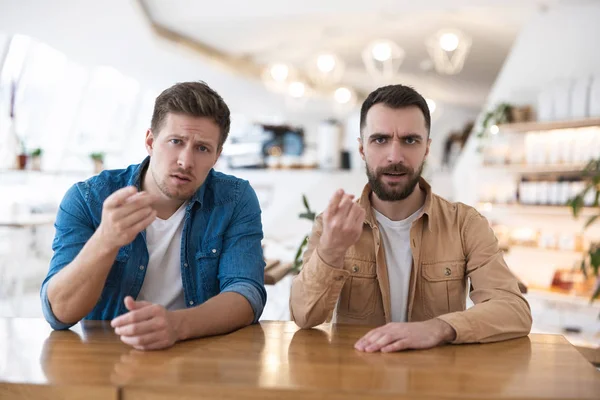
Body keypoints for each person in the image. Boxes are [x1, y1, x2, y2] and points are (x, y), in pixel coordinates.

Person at [290, 84, 532, 353]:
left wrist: (438, 327)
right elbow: (304, 316)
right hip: (357, 382)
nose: (395, 157)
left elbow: (514, 310)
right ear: (361, 149)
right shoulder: (332, 224)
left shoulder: (465, 224)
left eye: (410, 140)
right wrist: (331, 249)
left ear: (427, 148)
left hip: (435, 384)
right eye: (380, 139)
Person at [41, 81, 266, 350]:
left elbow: (246, 293)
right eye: (176, 142)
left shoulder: (235, 199)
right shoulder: (88, 199)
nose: (185, 161)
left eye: (202, 148)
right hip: (106, 357)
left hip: (198, 353)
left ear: (217, 155)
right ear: (150, 141)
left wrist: (177, 325)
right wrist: (105, 241)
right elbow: (59, 313)